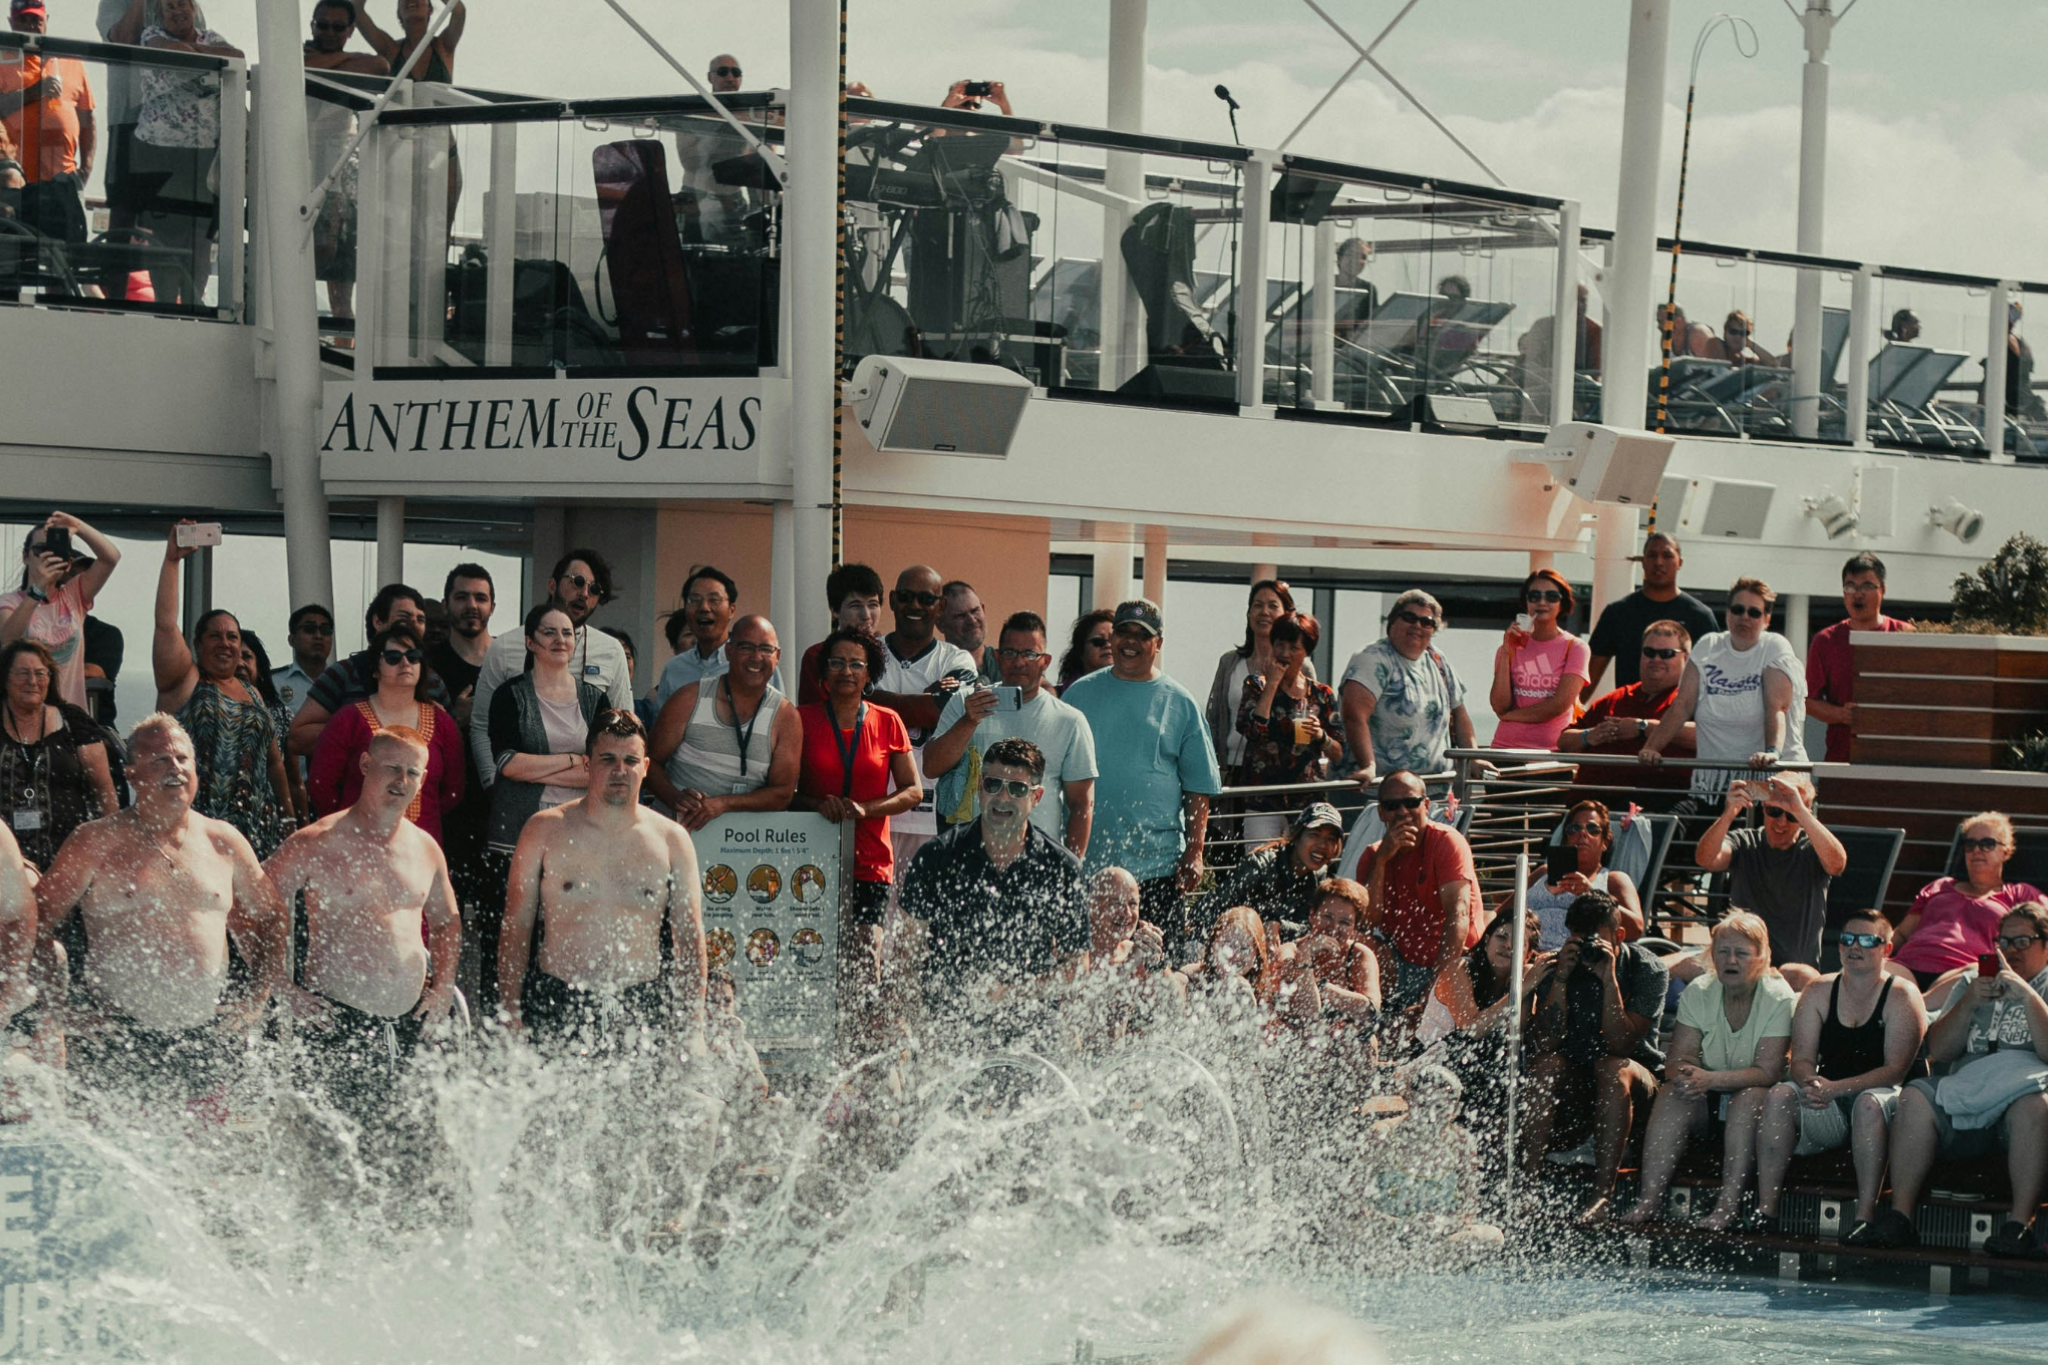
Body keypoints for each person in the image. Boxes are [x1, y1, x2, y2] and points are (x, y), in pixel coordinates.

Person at [36, 715, 298, 1106]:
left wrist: (259, 993)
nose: (175, 768)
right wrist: (57, 1008)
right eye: (159, 760)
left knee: (205, 1165)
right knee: (119, 1168)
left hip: (206, 1040)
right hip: (117, 1041)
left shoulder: (223, 841)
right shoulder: (94, 842)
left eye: (182, 759)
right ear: (131, 774)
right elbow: (33, 922)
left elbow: (272, 915)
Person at [263, 727, 458, 1183]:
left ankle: (396, 1248)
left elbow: (447, 922)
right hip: (337, 1022)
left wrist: (445, 983)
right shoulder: (317, 841)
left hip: (410, 1024)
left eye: (413, 772)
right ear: (366, 765)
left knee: (410, 1156)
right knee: (336, 1159)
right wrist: (277, 982)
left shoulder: (424, 847)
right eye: (392, 767)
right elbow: (251, 909)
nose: (401, 779)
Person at [497, 710, 707, 1054]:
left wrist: (693, 1023)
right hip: (557, 999)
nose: (619, 770)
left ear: (645, 766)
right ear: (587, 764)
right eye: (607, 759)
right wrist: (510, 1010)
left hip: (641, 1005)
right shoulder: (544, 829)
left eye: (630, 760)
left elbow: (689, 934)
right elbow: (516, 924)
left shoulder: (672, 839)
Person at [1860, 903, 2048, 1255]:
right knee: (1915, 1096)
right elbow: (1940, 1051)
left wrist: (2026, 995)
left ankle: (2019, 1225)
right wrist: (1970, 1003)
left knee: (2036, 1105)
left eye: (2022, 941)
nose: (2010, 951)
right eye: (2003, 942)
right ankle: (1901, 1216)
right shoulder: (1971, 981)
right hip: (1968, 1089)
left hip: (2024, 1097)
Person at [1747, 912, 1927, 1241]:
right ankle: (1766, 1209)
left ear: (1886, 949)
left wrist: (1836, 1088)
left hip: (1884, 1104)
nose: (1854, 947)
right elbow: (1801, 1059)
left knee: (1868, 1104)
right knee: (1778, 1096)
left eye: (1867, 940)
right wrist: (1811, 1082)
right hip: (1829, 1100)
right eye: (1847, 939)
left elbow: (1895, 1070)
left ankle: (1865, 1215)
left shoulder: (1902, 995)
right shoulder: (1818, 990)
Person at [1063, 600, 1222, 954]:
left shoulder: (1181, 702)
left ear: (1159, 644)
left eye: (1142, 635)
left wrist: (1195, 852)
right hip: (1088, 867)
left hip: (1156, 870)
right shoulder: (1078, 694)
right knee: (1085, 972)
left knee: (1158, 975)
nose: (1129, 641)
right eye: (1123, 632)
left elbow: (1198, 788)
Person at [1619, 912, 1795, 1228]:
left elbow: (1768, 1071)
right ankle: (1649, 1200)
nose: (1730, 959)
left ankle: (1727, 1207)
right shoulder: (1700, 989)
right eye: (1723, 951)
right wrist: (1690, 1078)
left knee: (1748, 1097)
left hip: (1760, 1103)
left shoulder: (1778, 995)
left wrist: (1710, 1078)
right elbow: (1677, 1061)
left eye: (1741, 953)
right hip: (1708, 1095)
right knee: (1674, 1093)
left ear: (1760, 956)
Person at [899, 737, 1088, 1019]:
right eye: (993, 785)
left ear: (1036, 797)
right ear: (979, 788)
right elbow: (906, 954)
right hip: (948, 1025)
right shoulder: (937, 856)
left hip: (1030, 1030)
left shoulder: (1061, 868)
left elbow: (1077, 965)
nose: (1003, 798)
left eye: (1017, 789)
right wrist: (908, 1023)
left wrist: (1012, 992)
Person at [1520, 891, 1667, 1223]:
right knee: (1545, 1066)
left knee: (1612, 1069)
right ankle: (1527, 1189)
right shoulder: (1560, 965)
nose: (1588, 951)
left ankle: (1602, 1196)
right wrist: (1559, 980)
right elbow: (1545, 1042)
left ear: (1619, 936)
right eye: (1579, 940)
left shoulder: (1648, 970)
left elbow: (1623, 1044)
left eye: (1596, 942)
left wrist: (1609, 978)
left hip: (1633, 1082)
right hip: (1577, 1084)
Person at [151, 525, 291, 859]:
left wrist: (288, 816)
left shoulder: (253, 694)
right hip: (195, 830)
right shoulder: (185, 682)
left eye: (232, 636)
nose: (225, 642)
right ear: (197, 644)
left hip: (257, 832)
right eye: (215, 636)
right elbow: (165, 625)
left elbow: (274, 764)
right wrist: (172, 561)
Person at [793, 629, 921, 969]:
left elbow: (913, 791)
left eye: (855, 664)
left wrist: (866, 808)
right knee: (812, 957)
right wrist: (816, 804)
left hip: (871, 860)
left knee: (867, 959)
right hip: (811, 855)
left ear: (869, 673)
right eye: (837, 663)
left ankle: (862, 1023)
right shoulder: (800, 719)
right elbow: (784, 792)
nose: (846, 671)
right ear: (824, 672)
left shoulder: (887, 720)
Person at [924, 611, 1096, 854]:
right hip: (969, 856)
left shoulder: (1070, 721)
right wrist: (968, 721)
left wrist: (1070, 870)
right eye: (1010, 653)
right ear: (997, 656)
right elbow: (931, 766)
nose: (1019, 662)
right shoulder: (967, 702)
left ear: (1045, 661)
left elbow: (1081, 805)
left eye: (1029, 654)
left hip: (1037, 860)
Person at [471, 551, 633, 789]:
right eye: (577, 581)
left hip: (586, 795)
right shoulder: (505, 646)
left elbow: (623, 732)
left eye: (594, 589)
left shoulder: (611, 650)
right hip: (517, 794)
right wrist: (491, 784)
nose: (584, 593)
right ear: (552, 584)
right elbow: (481, 726)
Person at [1640, 577, 1806, 808]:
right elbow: (1682, 705)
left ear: (1766, 619)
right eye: (1738, 610)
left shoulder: (1774, 646)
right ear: (1727, 613)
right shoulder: (1709, 646)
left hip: (1771, 781)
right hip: (1714, 786)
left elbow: (1777, 708)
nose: (1744, 617)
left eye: (1754, 612)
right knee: (1680, 834)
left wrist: (1771, 753)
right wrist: (1651, 748)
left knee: (1748, 836)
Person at [307, 623, 464, 844]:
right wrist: (346, 826)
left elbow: (453, 790)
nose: (405, 663)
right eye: (393, 657)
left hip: (420, 848)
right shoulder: (347, 720)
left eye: (413, 656)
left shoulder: (443, 723)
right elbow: (320, 785)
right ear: (375, 669)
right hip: (355, 845)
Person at [1689, 773, 1844, 988]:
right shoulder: (1745, 841)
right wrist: (1728, 814)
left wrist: (1800, 811)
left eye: (1791, 816)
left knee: (1805, 977)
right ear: (1763, 809)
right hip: (1738, 962)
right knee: (1670, 963)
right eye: (1774, 811)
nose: (1781, 822)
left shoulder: (1812, 849)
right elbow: (1706, 859)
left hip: (1788, 971)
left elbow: (1837, 864)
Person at [647, 614, 800, 830]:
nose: (756, 657)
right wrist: (675, 798)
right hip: (675, 833)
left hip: (743, 844)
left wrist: (723, 804)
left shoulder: (786, 716)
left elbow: (783, 794)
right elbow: (648, 762)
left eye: (766, 649)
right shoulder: (689, 699)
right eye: (746, 647)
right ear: (729, 651)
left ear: (778, 656)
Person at [135, 0, 242, 304]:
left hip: (204, 156)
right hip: (160, 155)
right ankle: (166, 306)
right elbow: (170, 53)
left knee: (199, 238)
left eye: (182, 3)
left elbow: (237, 57)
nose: (177, 10)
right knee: (165, 241)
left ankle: (194, 304)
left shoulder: (210, 37)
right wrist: (206, 60)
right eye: (169, 6)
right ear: (161, 14)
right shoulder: (151, 35)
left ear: (193, 8)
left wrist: (194, 53)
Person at [1357, 770, 1478, 1012]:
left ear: (1426, 805)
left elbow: (1458, 916)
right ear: (1381, 813)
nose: (1402, 812)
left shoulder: (1446, 842)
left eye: (1411, 803)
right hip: (1400, 962)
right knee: (1355, 946)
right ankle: (1359, 1020)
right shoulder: (1372, 855)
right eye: (1392, 806)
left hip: (1455, 963)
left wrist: (1435, 989)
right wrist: (1381, 861)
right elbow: (1367, 923)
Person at [289, 583, 454, 757]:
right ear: (378, 622)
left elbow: (451, 748)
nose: (413, 625)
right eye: (404, 618)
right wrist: (365, 728)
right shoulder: (344, 673)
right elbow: (298, 738)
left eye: (420, 620)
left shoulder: (432, 681)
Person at [303, 0, 388, 322]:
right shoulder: (295, 56)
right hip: (295, 172)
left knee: (332, 263)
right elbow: (303, 67)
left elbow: (380, 66)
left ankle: (340, 350)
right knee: (296, 262)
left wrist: (324, 62)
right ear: (312, 25)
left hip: (334, 178)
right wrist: (341, 62)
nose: (328, 32)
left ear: (351, 31)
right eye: (322, 25)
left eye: (338, 27)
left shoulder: (320, 59)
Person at [1892, 811, 2043, 991]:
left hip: (1965, 973)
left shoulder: (2019, 894)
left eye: (1987, 843)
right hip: (1906, 965)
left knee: (1974, 974)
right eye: (1970, 844)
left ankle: (1917, 1007)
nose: (1976, 850)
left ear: (2006, 851)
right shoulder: (1941, 886)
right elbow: (1901, 934)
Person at [1339, 590, 1479, 783]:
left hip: (1431, 790)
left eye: (1426, 622)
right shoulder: (1372, 659)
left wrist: (1473, 759)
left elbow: (1460, 713)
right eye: (1409, 618)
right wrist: (1368, 766)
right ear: (1393, 621)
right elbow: (1354, 717)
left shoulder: (1437, 659)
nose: (1417, 626)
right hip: (1380, 793)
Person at [0, 638, 115, 870]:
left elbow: (104, 790)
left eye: (40, 674)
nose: (32, 681)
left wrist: (109, 848)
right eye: (22, 673)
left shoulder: (73, 722)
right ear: (4, 678)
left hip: (69, 860)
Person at [1559, 619, 1696, 806]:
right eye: (1649, 652)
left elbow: (1705, 736)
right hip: (1588, 808)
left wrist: (1642, 727)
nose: (1656, 659)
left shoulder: (1692, 701)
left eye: (1666, 654)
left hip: (1655, 804)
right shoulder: (1616, 698)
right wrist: (1589, 736)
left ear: (1686, 658)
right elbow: (1564, 740)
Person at [1234, 613, 1344, 842]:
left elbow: (1339, 752)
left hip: (1306, 802)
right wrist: (1272, 683)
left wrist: (1321, 736)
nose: (1284, 653)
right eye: (1279, 645)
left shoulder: (1321, 695)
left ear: (1306, 652)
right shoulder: (1256, 685)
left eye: (1293, 647)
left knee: (1302, 868)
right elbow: (1253, 731)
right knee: (1259, 867)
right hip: (1263, 798)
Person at [0, 512, 122, 711]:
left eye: (54, 551)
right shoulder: (9, 602)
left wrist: (78, 526)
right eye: (40, 550)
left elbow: (111, 558)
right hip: (25, 713)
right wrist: (38, 588)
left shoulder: (72, 596)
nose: (47, 557)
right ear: (25, 556)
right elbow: (8, 639)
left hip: (70, 713)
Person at [1805, 553, 1913, 764]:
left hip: (1897, 760)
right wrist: (1841, 715)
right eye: (1850, 586)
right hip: (1842, 758)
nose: (1858, 594)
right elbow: (1808, 701)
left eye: (1867, 586)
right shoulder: (1825, 641)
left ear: (1883, 590)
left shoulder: (1906, 635)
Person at [1193, 802, 1346, 951]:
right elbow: (1205, 910)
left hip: (1275, 953)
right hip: (1226, 946)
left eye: (1330, 839)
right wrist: (1257, 926)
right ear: (1297, 837)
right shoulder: (1260, 866)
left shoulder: (1320, 877)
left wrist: (1277, 924)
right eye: (1314, 835)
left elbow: (1309, 925)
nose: (1322, 844)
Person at [1, 0, 94, 243]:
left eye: (35, 20)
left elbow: (86, 117)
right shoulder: (2, 57)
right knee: (11, 261)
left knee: (63, 260)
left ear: (46, 22)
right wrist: (33, 93)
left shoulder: (70, 60)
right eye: (22, 19)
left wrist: (86, 167)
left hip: (61, 183)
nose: (29, 26)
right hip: (12, 186)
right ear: (11, 22)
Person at [1581, 532, 1718, 696]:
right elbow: (1587, 679)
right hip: (1628, 716)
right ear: (1643, 561)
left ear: (1679, 562)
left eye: (1667, 555)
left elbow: (1716, 676)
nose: (1659, 562)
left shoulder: (1700, 616)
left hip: (1682, 718)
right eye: (1652, 555)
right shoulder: (1618, 613)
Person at [1205, 580, 1313, 784]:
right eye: (1257, 605)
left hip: (1282, 773)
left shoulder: (1303, 667)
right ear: (1248, 614)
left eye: (1273, 606)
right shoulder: (1230, 662)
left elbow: (1309, 713)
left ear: (1286, 614)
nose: (1264, 611)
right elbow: (1214, 720)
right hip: (1233, 770)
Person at [1506, 799, 1643, 951]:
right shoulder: (1543, 872)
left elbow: (1636, 928)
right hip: (1522, 953)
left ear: (1605, 841)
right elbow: (1503, 911)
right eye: (1574, 829)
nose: (1583, 834)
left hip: (1573, 958)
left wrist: (1591, 894)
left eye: (1593, 829)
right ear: (1566, 839)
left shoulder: (1613, 880)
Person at [871, 564, 978, 744]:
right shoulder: (867, 653)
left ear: (941, 606)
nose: (915, 605)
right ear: (892, 600)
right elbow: (845, 708)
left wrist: (868, 697)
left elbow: (941, 713)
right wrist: (925, 697)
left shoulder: (957, 660)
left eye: (926, 599)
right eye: (906, 597)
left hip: (930, 772)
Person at [1489, 569, 1589, 753]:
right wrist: (1505, 652)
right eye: (1534, 596)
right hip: (1505, 748)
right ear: (1526, 602)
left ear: (1562, 603)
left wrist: (1509, 716)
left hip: (1551, 752)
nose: (1542, 602)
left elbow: (1558, 705)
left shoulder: (1575, 647)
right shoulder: (1510, 648)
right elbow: (1499, 705)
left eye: (1551, 596)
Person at [655, 566, 779, 706]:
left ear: (731, 610)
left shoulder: (758, 664)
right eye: (695, 600)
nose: (704, 608)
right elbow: (661, 723)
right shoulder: (674, 669)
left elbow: (780, 719)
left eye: (714, 600)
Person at [238, 630, 307, 822]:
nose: (240, 664)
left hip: (268, 821)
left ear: (259, 667)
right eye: (234, 656)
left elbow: (293, 781)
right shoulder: (207, 712)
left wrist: (299, 826)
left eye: (246, 656)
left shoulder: (281, 715)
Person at [792, 564, 884, 705]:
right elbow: (813, 716)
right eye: (856, 606)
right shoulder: (817, 656)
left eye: (873, 605)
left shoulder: (887, 652)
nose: (866, 616)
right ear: (835, 610)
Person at [272, 604, 335, 720]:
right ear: (292, 640)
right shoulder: (273, 683)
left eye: (325, 630)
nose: (318, 636)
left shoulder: (342, 682)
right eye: (309, 629)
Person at [937, 580, 998, 684]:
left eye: (975, 611)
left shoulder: (1008, 664)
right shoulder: (935, 670)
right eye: (960, 616)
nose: (972, 620)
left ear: (983, 609)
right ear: (940, 624)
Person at [1056, 609, 1115, 694]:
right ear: (1081, 651)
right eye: (1098, 641)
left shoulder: (1134, 693)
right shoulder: (1059, 697)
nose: (1108, 645)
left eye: (1113, 640)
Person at [1707, 310, 1776, 365]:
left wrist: (1751, 345)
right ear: (1725, 333)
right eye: (1733, 331)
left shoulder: (1744, 361)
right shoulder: (1715, 343)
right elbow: (1722, 367)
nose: (1738, 337)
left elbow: (1773, 364)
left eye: (1743, 333)